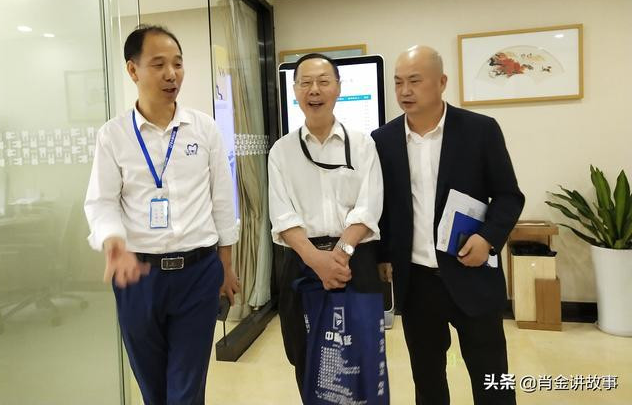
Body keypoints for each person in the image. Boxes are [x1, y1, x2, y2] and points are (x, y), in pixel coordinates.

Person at [84, 24, 240, 405]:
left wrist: (226, 266)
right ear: (133, 70)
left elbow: (222, 200)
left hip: (198, 273)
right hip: (139, 277)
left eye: (178, 64)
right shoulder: (113, 135)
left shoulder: (203, 129)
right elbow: (102, 202)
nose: (172, 74)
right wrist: (113, 241)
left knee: (186, 389)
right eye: (159, 64)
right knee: (153, 389)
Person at [372, 46, 525, 405]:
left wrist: (487, 239)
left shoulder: (480, 130)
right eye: (398, 83)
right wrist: (382, 255)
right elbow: (381, 207)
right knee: (427, 381)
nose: (405, 91)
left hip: (472, 272)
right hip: (417, 281)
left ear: (441, 82)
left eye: (414, 81)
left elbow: (509, 196)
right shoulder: (382, 140)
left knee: (492, 379)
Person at [268, 53, 385, 398]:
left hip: (355, 263)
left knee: (359, 355)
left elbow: (369, 205)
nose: (314, 90)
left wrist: (340, 254)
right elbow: (282, 214)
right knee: (305, 356)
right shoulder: (281, 151)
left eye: (323, 81)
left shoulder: (362, 144)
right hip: (302, 264)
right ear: (295, 91)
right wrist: (316, 260)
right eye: (305, 83)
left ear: (338, 88)